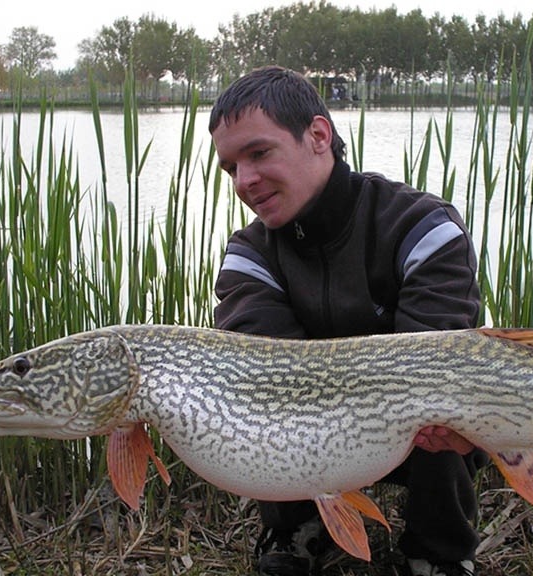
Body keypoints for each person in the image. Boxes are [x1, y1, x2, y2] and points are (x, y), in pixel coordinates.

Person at [209, 65, 485, 576]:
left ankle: (439, 548)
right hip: (319, 428)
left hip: (421, 431)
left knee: (443, 393)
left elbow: (438, 364)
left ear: (318, 135)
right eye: (230, 168)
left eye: (259, 153)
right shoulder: (248, 256)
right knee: (273, 400)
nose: (244, 181)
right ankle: (296, 526)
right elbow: (270, 382)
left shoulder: (423, 229)